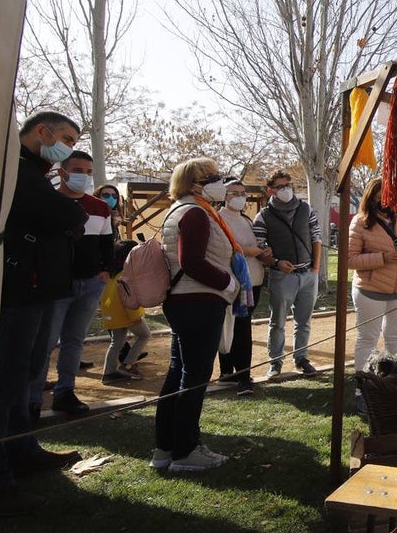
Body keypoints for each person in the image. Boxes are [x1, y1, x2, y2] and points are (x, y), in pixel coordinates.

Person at [0, 111, 87, 514]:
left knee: (26, 376)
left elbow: (65, 221)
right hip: (18, 294)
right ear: (41, 132)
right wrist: (71, 213)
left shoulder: (38, 174)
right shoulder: (15, 169)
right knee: (6, 384)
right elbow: (68, 216)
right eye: (65, 137)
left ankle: (23, 451)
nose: (67, 146)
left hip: (38, 291)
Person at [151, 157, 241, 472]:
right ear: (194, 183)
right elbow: (192, 262)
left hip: (187, 301)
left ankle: (166, 447)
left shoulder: (187, 210)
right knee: (194, 377)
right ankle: (185, 450)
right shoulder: (195, 212)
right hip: (198, 301)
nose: (221, 180)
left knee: (179, 375)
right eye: (213, 176)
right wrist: (229, 282)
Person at [30, 150, 114, 415]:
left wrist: (105, 272)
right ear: (62, 172)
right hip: (54, 287)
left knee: (74, 341)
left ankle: (65, 391)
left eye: (89, 172)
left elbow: (107, 245)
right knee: (45, 342)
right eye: (78, 171)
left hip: (89, 284)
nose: (84, 176)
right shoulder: (48, 202)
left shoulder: (100, 208)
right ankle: (32, 399)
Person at [348, 177, 397, 372]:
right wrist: (383, 258)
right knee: (368, 340)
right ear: (371, 198)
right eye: (380, 199)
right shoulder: (359, 222)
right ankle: (362, 386)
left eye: (389, 198)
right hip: (370, 291)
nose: (385, 203)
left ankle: (394, 382)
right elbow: (350, 260)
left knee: (395, 338)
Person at [254, 171, 323, 377]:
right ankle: (275, 362)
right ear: (270, 190)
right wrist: (275, 262)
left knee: (304, 321)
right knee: (278, 322)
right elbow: (259, 249)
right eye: (280, 186)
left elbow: (316, 238)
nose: (285, 189)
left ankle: (301, 358)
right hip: (281, 276)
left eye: (288, 185)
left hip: (308, 273)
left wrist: (316, 268)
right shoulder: (264, 216)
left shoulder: (306, 208)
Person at [217, 178, 270, 395]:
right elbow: (225, 247)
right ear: (224, 194)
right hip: (232, 283)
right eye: (233, 192)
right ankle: (239, 375)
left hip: (253, 282)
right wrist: (250, 251)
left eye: (241, 192)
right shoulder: (218, 219)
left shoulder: (247, 220)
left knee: (240, 325)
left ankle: (235, 372)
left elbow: (255, 245)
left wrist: (263, 252)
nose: (238, 196)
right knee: (234, 328)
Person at [99, 239, 151, 384]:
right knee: (145, 335)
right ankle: (128, 365)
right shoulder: (126, 276)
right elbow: (128, 299)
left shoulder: (112, 273)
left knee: (117, 342)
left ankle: (108, 373)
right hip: (126, 314)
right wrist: (135, 316)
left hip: (112, 314)